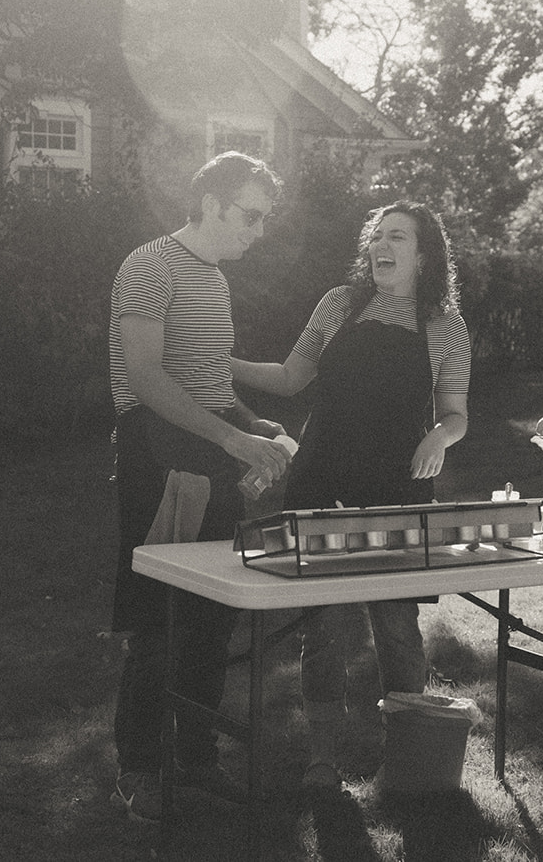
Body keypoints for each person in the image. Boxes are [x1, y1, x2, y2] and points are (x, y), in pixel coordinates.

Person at [232, 200, 470, 789]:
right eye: (377, 237)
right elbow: (292, 377)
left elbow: (457, 414)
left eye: (398, 237)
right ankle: (322, 758)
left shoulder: (444, 325)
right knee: (326, 621)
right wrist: (221, 363)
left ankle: (412, 758)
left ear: (423, 254)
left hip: (396, 485)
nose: (381, 247)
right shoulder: (339, 305)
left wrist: (439, 437)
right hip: (323, 477)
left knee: (396, 622)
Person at [107, 151, 295, 824]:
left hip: (210, 456)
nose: (258, 229)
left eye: (264, 218)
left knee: (214, 616)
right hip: (157, 461)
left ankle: (195, 756)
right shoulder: (149, 265)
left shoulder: (213, 277)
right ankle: (140, 769)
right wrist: (233, 440)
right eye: (250, 214)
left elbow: (210, 384)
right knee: (159, 622)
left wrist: (257, 424)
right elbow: (149, 381)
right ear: (211, 203)